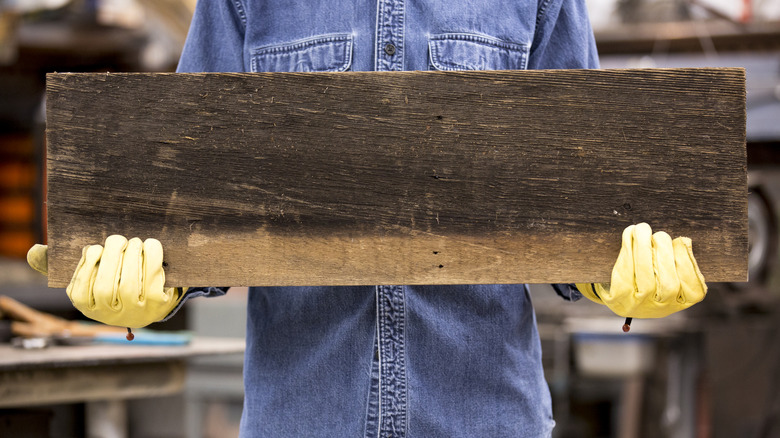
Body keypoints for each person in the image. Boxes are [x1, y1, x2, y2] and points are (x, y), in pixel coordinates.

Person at [26, 1, 707, 436]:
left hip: (487, 418)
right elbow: (190, 204)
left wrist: (616, 283)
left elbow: (587, 204)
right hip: (300, 419)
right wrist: (147, 289)